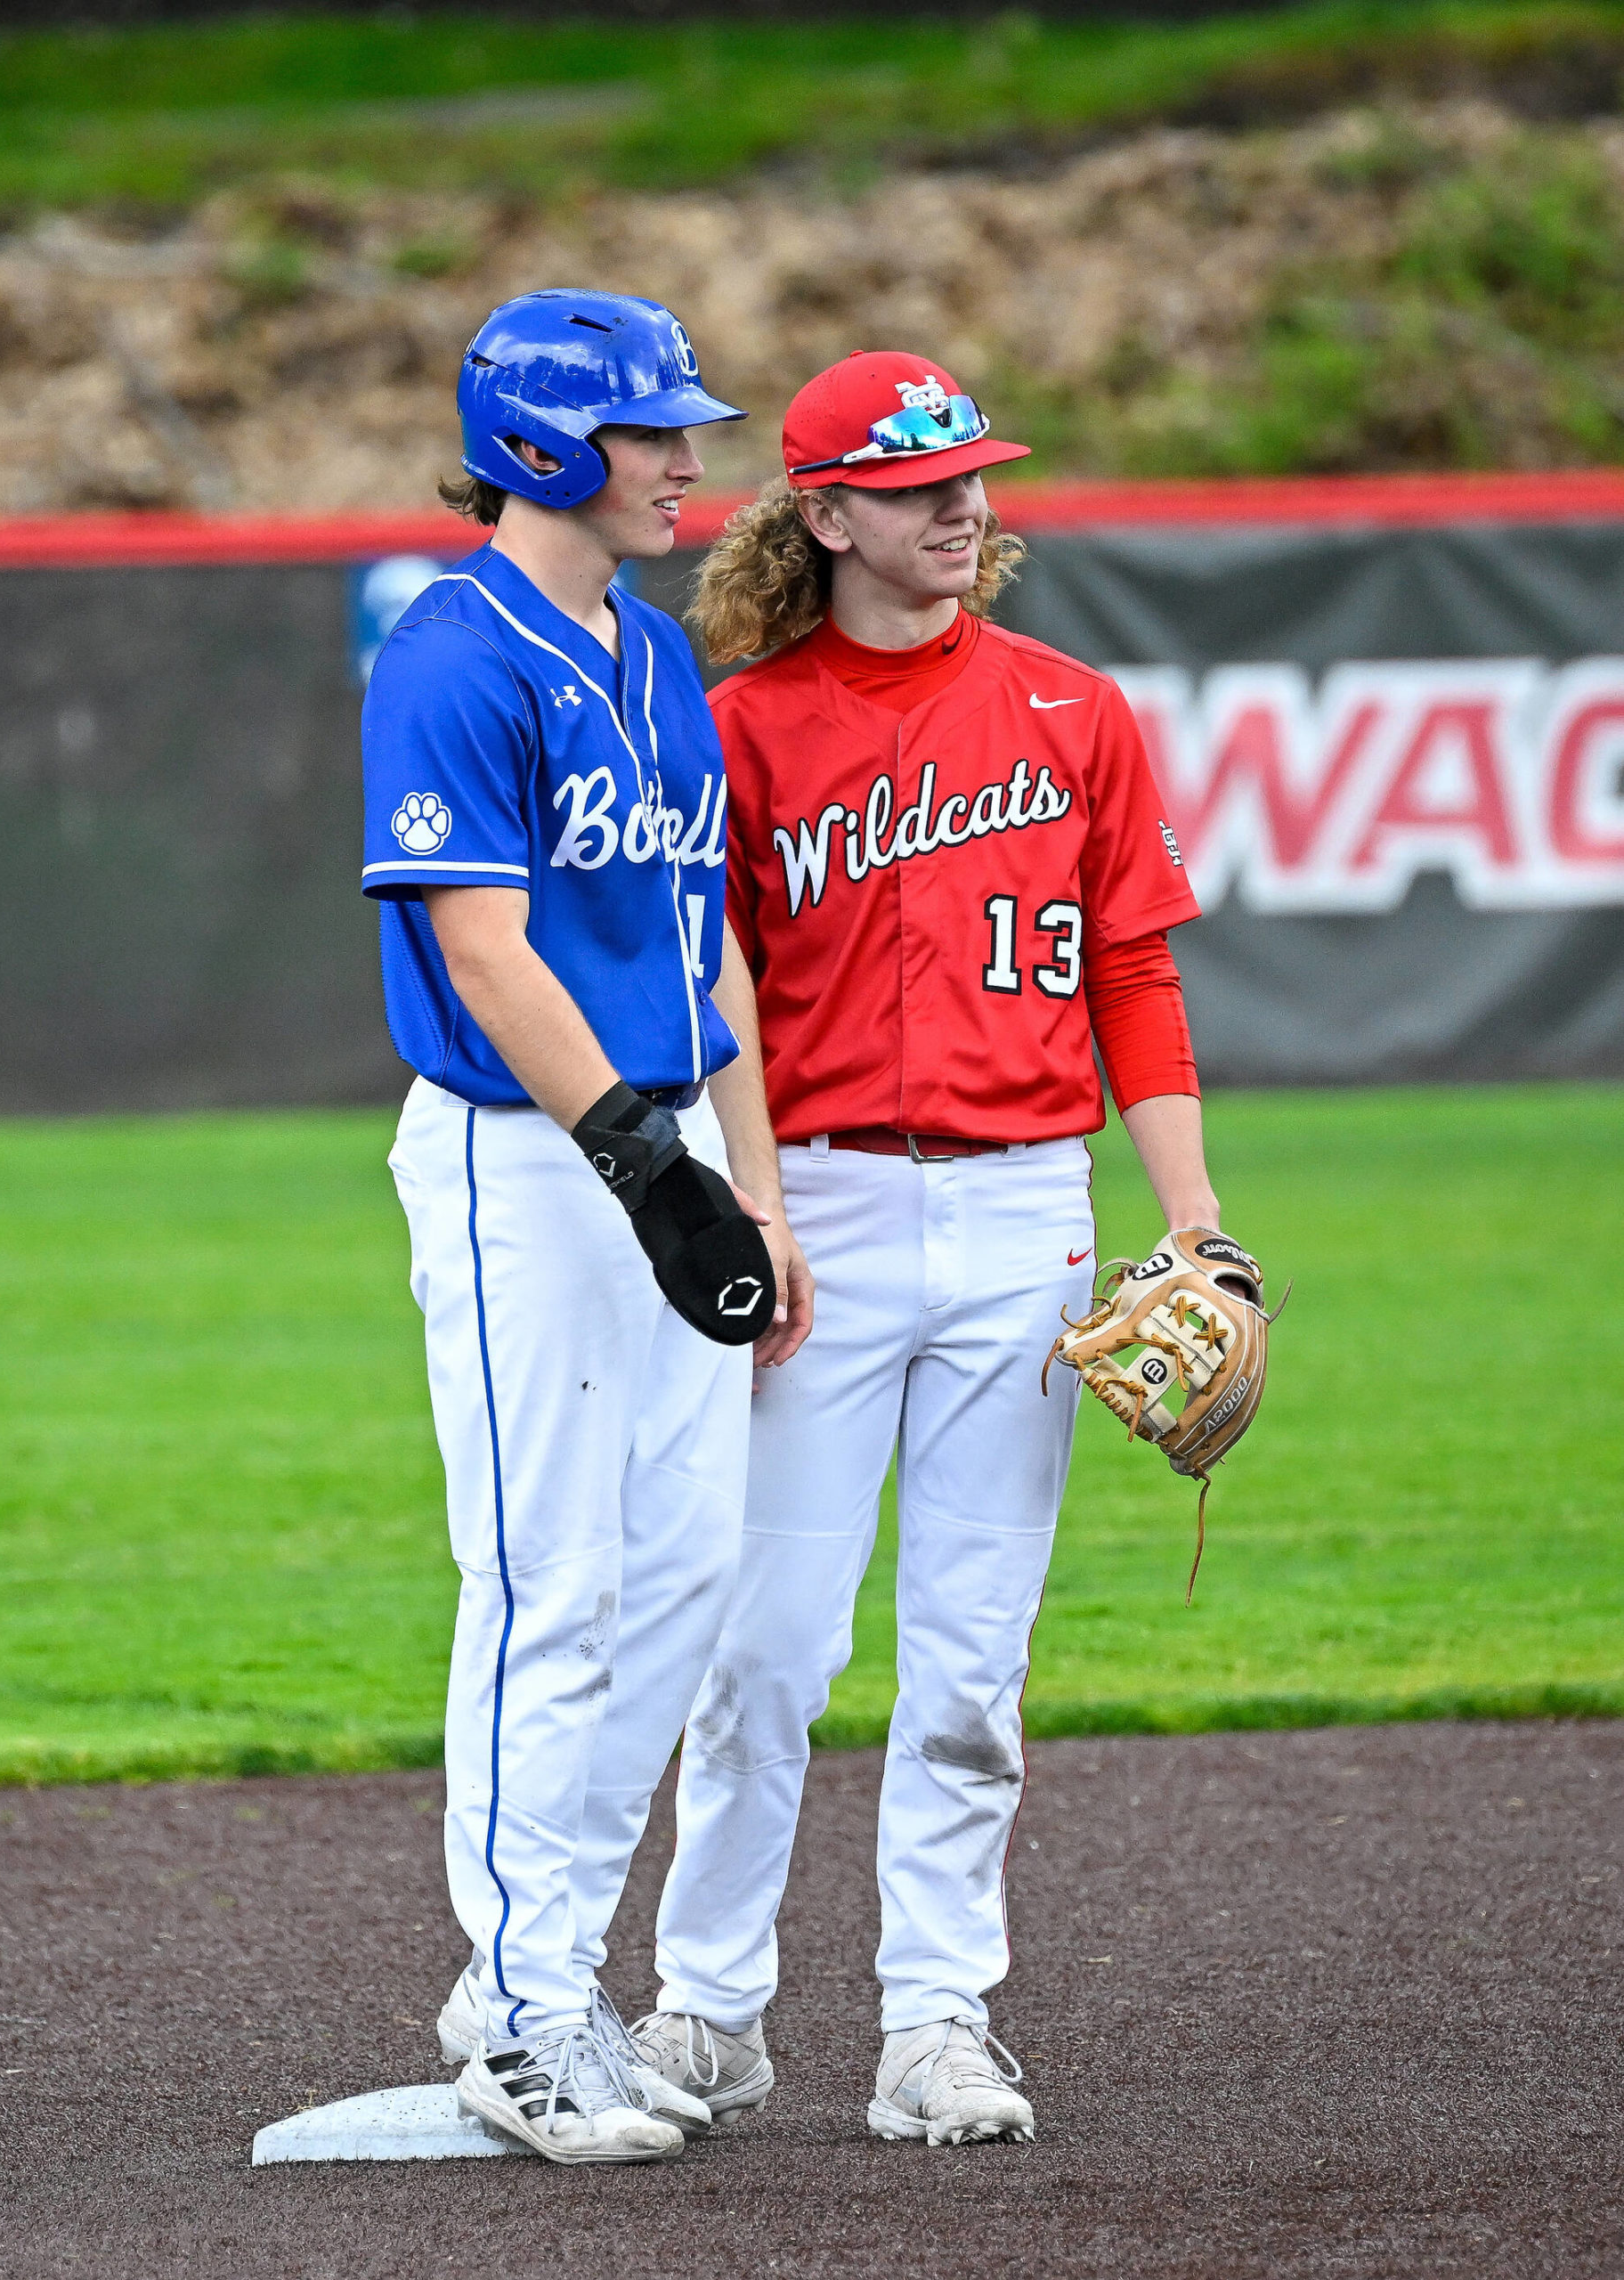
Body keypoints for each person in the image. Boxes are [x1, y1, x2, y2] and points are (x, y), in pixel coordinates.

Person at [629, 351, 1238, 2147]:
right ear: (822, 514)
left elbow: (1132, 969)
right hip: (811, 1197)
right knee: (765, 1646)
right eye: (915, 487)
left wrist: (1192, 1218)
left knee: (970, 1659)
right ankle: (709, 2008)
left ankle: (935, 2021)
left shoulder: (1070, 711)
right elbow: (708, 984)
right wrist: (746, 1195)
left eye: (971, 477)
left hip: (1021, 1215)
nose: (960, 506)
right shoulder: (738, 726)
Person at [360, 289, 811, 2166]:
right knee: (549, 1579)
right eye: (652, 431)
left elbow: (703, 938)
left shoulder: (651, 652)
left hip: (666, 1132)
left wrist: (750, 1179)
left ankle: (545, 1968)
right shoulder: (451, 648)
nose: (690, 459)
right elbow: (481, 940)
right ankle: (528, 2005)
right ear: (546, 443)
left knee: (688, 1572)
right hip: (526, 1158)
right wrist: (646, 1159)